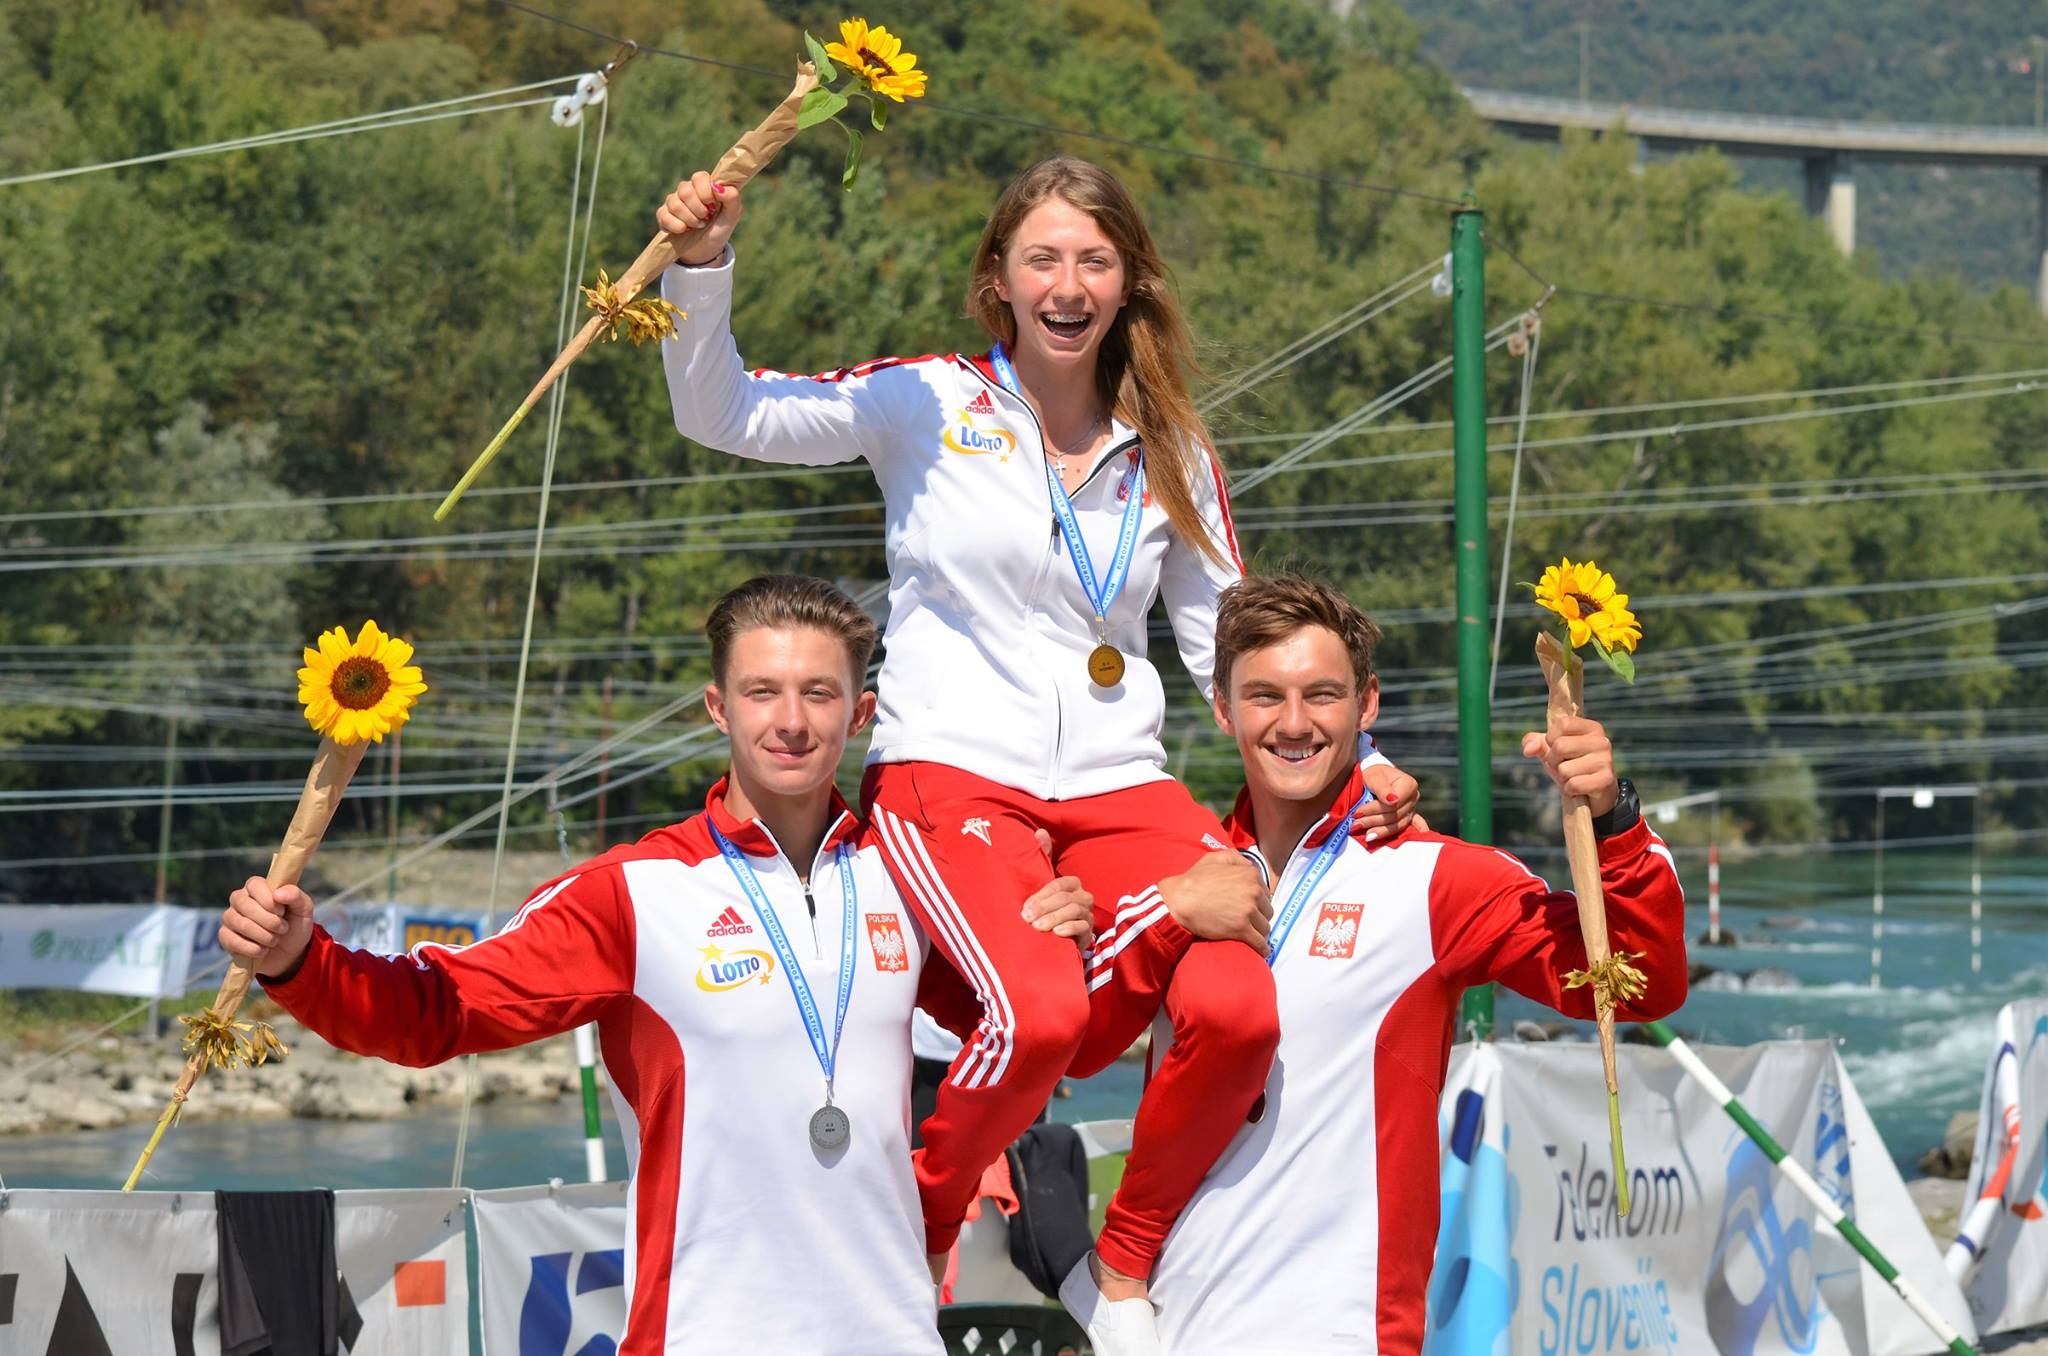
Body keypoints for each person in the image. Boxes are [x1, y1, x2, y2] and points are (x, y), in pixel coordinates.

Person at [655, 155, 1420, 1352]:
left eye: (1093, 261)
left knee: (1237, 1007)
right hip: (950, 773)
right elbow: (726, 412)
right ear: (997, 281)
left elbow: (1235, 634)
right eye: (1042, 259)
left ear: (1129, 283)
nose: (1067, 284)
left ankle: (1122, 1255)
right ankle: (909, 1238)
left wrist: (1359, 751)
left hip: (1120, 783)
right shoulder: (924, 401)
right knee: (1039, 1015)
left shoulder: (1168, 443)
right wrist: (702, 269)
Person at [216, 575, 1097, 1356]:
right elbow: (434, 1012)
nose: (791, 721)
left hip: (894, 1329)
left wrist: (1071, 940)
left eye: (819, 694)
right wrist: (303, 961)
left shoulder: (915, 878)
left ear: (860, 713)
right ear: (719, 708)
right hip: (704, 1333)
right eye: (763, 691)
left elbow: (1032, 1025)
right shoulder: (631, 894)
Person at [1146, 574, 1688, 1356]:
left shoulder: (1435, 878)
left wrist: (1614, 818)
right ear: (1224, 709)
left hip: (1337, 1332)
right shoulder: (1179, 872)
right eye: (1264, 696)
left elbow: (1642, 983)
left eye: (1322, 695)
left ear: (1366, 706)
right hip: (1165, 1319)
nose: (1293, 723)